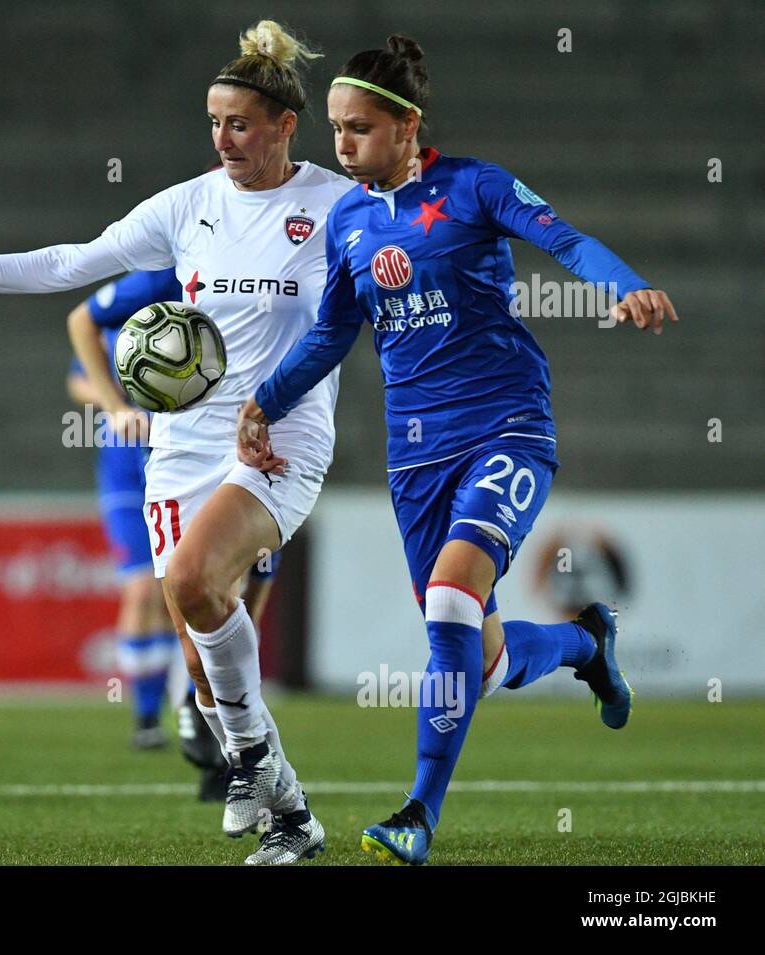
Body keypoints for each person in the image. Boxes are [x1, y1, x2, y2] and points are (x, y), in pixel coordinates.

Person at [0, 20, 355, 865]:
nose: (223, 139)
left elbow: (389, 281)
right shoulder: (189, 205)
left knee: (189, 579)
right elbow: (71, 263)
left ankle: (250, 764)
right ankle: (286, 804)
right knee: (200, 635)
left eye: (240, 123)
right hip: (180, 444)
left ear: (286, 125)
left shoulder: (334, 204)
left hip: (277, 441)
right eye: (213, 122)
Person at [237, 35, 677, 865]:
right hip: (416, 458)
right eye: (335, 129)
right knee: (479, 656)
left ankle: (416, 816)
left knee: (448, 602)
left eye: (359, 128)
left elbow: (567, 241)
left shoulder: (475, 185)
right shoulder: (349, 221)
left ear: (408, 126)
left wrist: (626, 286)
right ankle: (587, 642)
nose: (341, 145)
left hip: (507, 425)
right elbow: (334, 332)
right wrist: (266, 399)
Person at [67, 268, 285, 801]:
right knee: (151, 589)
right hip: (131, 465)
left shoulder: (257, 285)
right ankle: (151, 717)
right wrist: (118, 407)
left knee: (236, 609)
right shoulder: (152, 285)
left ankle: (208, 725)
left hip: (231, 459)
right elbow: (78, 364)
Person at [65, 269, 182, 752]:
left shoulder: (189, 302)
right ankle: (145, 716)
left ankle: (193, 710)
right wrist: (117, 399)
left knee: (180, 588)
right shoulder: (111, 317)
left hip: (176, 464)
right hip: (123, 472)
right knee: (139, 590)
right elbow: (76, 382)